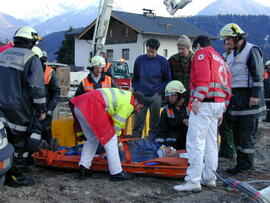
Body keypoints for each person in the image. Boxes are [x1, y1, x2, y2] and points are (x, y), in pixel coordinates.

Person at [173, 36, 231, 192]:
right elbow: (227, 85)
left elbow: (203, 79)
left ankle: (193, 180)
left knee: (195, 142)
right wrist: (223, 108)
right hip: (217, 104)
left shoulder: (201, 55)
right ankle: (209, 178)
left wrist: (197, 98)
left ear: (197, 45)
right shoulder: (220, 58)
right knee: (211, 142)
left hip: (204, 103)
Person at [0, 26, 46, 187]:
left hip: (1, 109)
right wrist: (41, 110)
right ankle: (15, 177)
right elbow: (37, 87)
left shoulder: (2, 54)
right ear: (30, 41)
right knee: (20, 145)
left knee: (2, 142)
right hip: (19, 111)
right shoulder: (31, 58)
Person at [69, 88, 147, 180]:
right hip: (93, 107)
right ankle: (116, 172)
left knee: (92, 140)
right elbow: (117, 125)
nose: (138, 111)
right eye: (140, 108)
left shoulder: (125, 96)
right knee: (111, 140)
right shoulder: (129, 104)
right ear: (136, 101)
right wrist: (118, 140)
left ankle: (83, 168)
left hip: (80, 105)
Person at [220, 23, 265, 174]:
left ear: (237, 37)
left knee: (247, 135)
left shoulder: (251, 50)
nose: (227, 42)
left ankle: (247, 165)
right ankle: (241, 164)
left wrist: (255, 95)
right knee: (237, 134)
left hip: (248, 99)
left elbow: (257, 74)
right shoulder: (232, 54)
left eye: (229, 39)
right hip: (236, 100)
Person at [132, 38, 172, 138]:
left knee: (155, 123)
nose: (150, 53)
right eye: (148, 51)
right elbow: (135, 78)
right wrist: (137, 90)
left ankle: (151, 142)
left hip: (156, 96)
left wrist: (159, 90)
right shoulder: (140, 60)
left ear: (156, 50)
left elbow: (167, 80)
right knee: (138, 121)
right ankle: (135, 142)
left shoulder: (163, 62)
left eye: (152, 52)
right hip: (141, 95)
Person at [152, 80, 188, 150]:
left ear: (180, 95)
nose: (170, 98)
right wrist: (160, 147)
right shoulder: (166, 111)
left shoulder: (189, 108)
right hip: (171, 146)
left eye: (173, 95)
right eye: (168, 95)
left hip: (187, 145)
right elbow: (161, 131)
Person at [219, 37, 236, 160]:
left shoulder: (237, 58)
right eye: (227, 44)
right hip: (223, 94)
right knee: (223, 125)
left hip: (234, 94)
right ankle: (225, 151)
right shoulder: (221, 58)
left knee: (230, 126)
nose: (228, 46)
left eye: (231, 44)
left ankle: (231, 152)